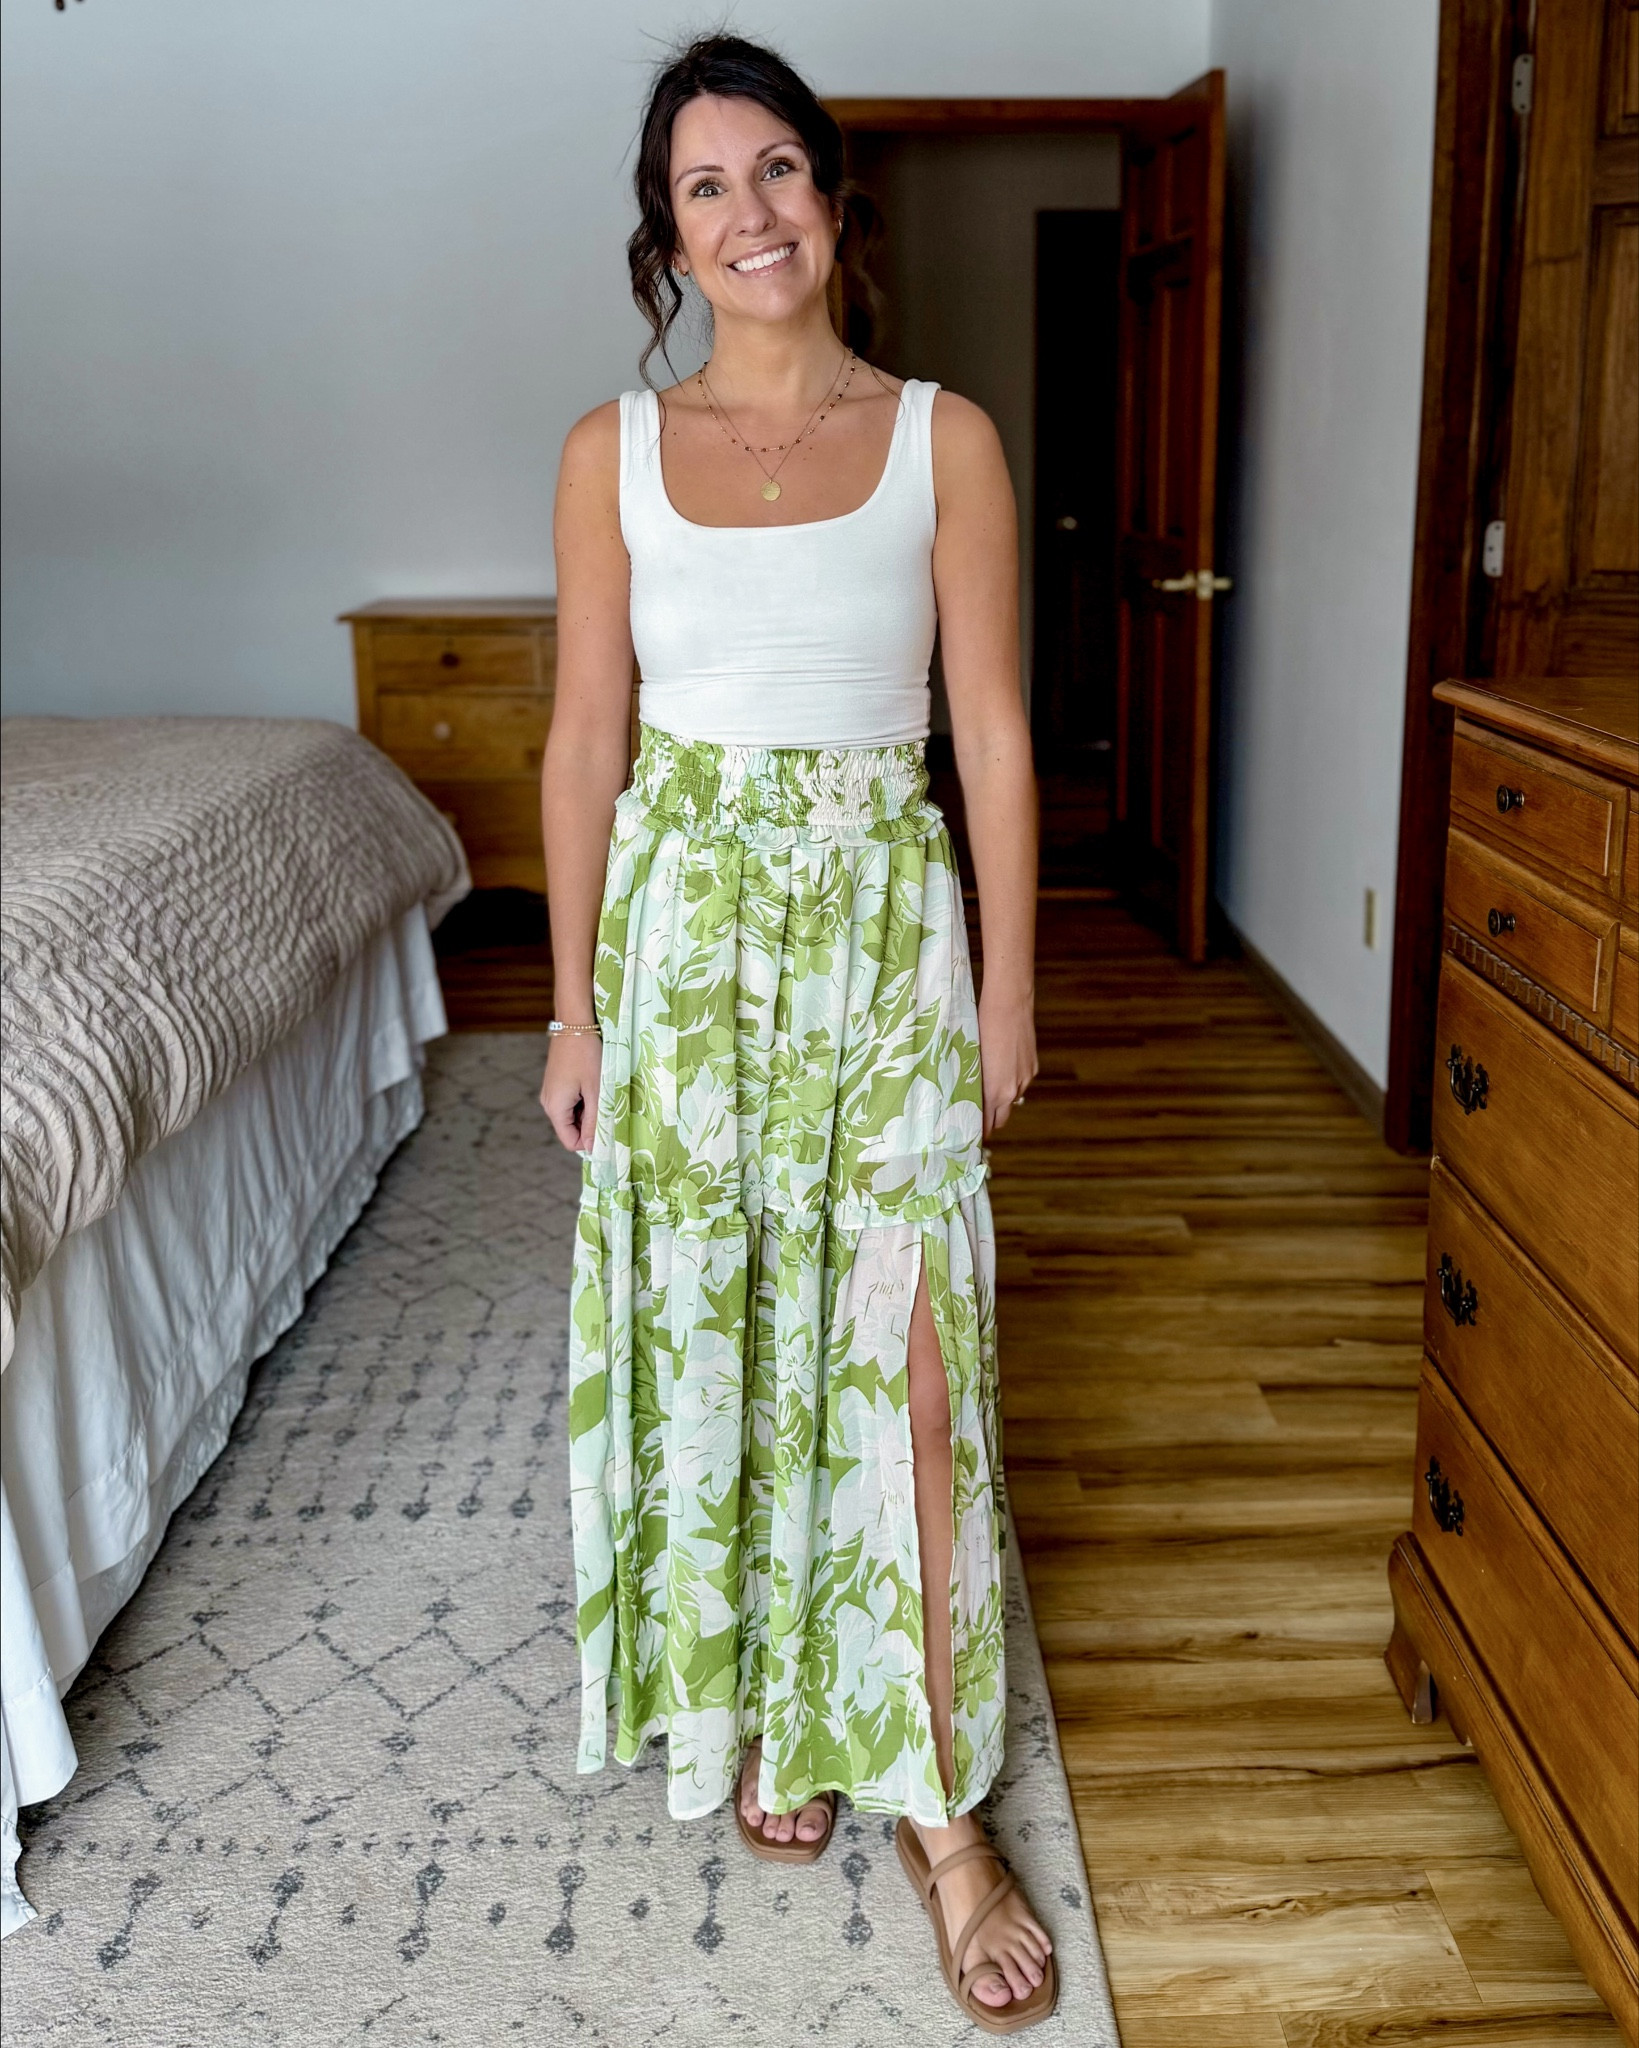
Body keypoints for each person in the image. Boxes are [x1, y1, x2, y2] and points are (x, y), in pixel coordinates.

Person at [538, 33, 1053, 2031]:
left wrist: (1008, 978)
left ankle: (938, 1806)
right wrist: (572, 998)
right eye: (703, 187)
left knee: (905, 1348)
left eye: (776, 170)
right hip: (681, 948)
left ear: (833, 197)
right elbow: (586, 738)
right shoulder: (609, 450)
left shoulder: (950, 438)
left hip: (877, 930)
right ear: (666, 236)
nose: (748, 213)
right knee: (728, 1322)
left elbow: (989, 728)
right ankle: (775, 1705)